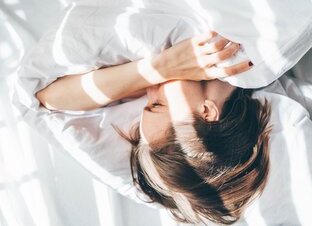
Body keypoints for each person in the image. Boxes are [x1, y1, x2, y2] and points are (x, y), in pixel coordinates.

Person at [36, 32, 271, 225]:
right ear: (207, 112)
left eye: (149, 104)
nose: (149, 89)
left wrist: (159, 67)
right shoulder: (257, 54)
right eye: (157, 105)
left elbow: (48, 98)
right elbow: (47, 97)